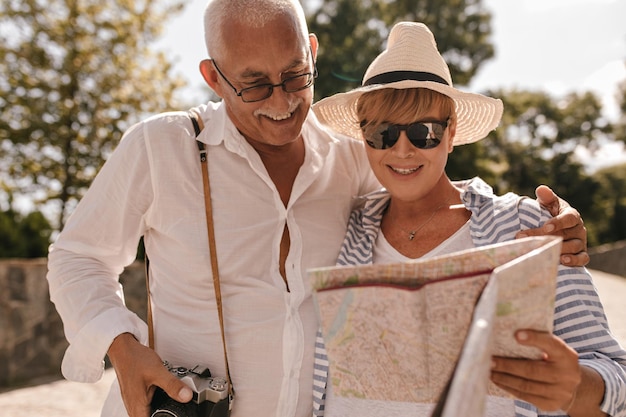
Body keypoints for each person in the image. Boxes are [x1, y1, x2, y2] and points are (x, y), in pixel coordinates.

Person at [46, 2, 589, 417]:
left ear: (312, 50)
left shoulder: (350, 152)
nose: (282, 102)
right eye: (255, 84)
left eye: (295, 76)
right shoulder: (158, 146)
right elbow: (77, 257)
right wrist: (121, 346)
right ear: (213, 76)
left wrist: (532, 218)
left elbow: (415, 174)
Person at [312, 21, 626, 417]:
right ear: (363, 137)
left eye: (423, 132)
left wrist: (576, 388)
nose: (402, 150)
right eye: (382, 133)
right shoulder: (341, 226)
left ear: (451, 131)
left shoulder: (525, 226)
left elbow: (616, 376)